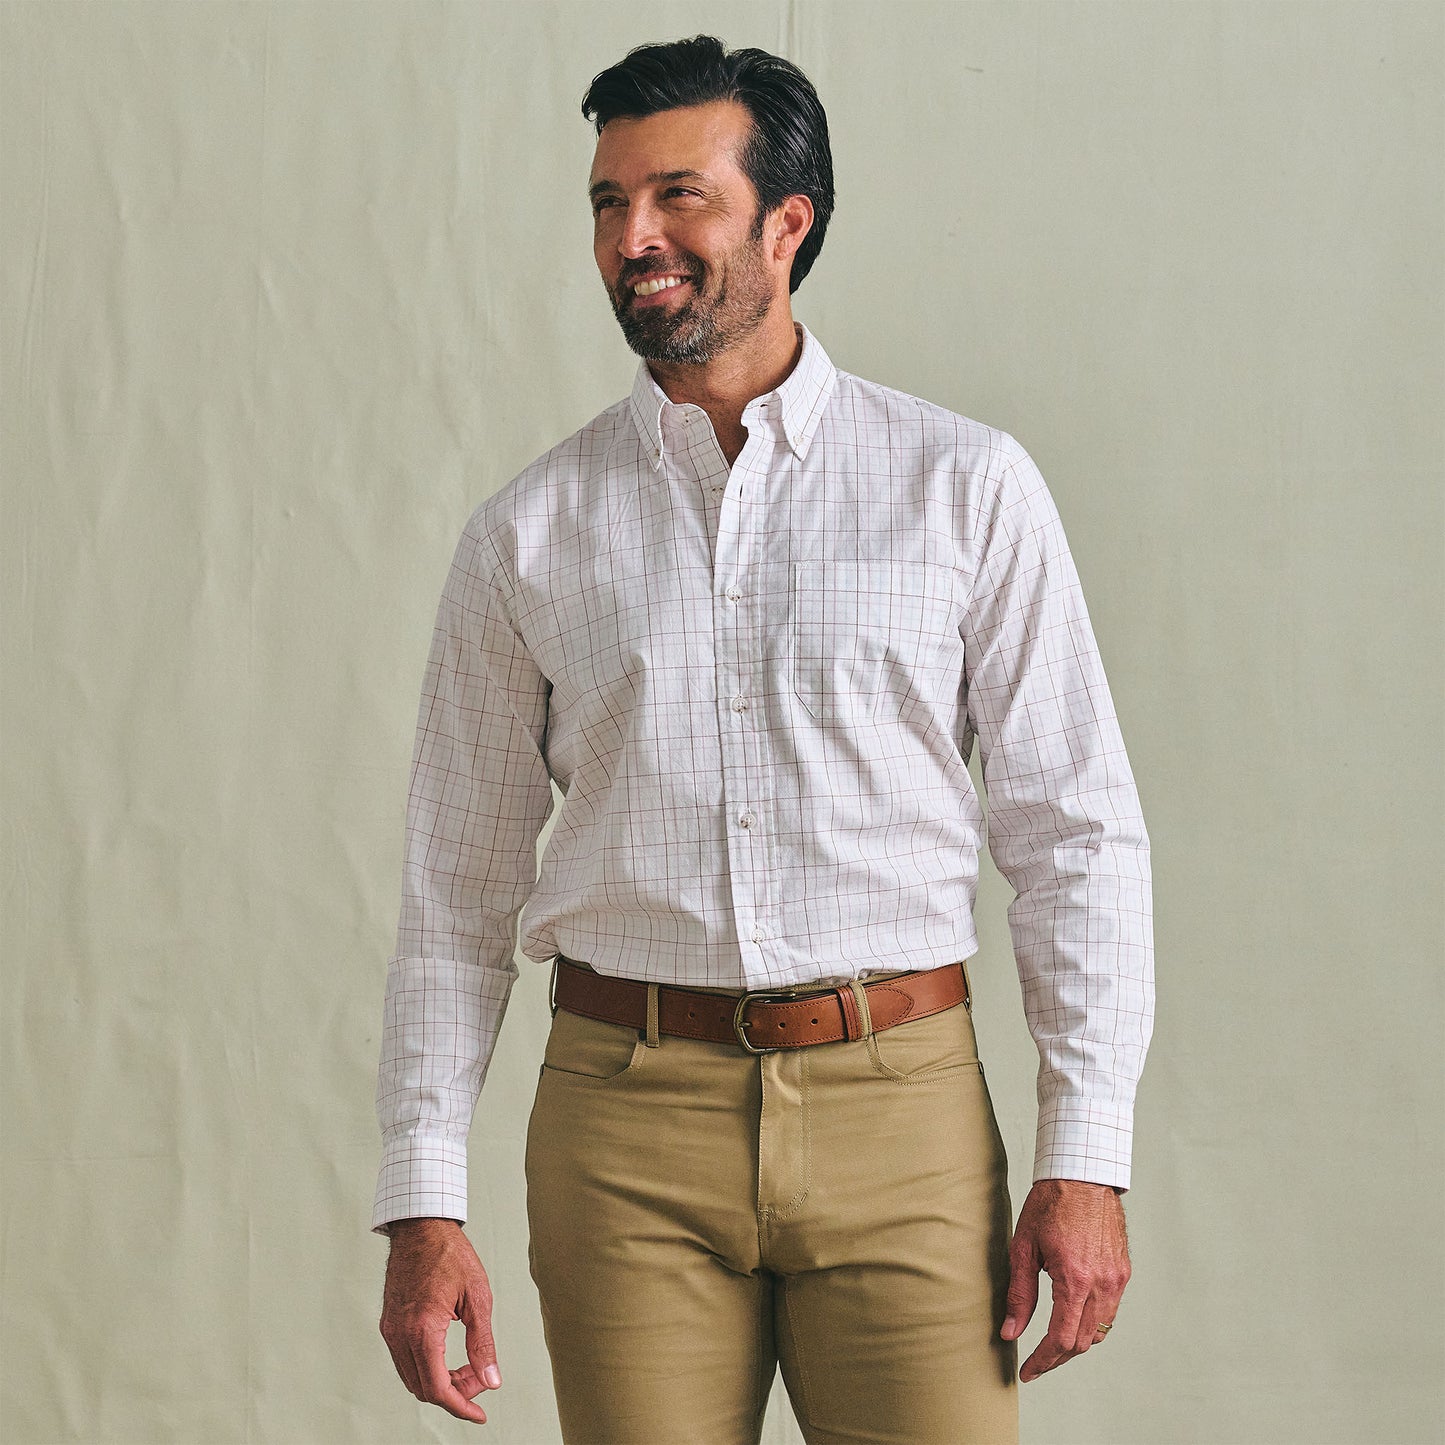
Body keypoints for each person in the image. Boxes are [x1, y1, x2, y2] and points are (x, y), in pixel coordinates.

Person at [373, 33, 1153, 1445]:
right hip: (621, 1127)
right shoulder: (526, 535)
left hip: (901, 1111)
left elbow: (1075, 835)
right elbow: (452, 895)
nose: (634, 238)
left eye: (679, 197)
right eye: (609, 203)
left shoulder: (962, 488)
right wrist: (422, 1202)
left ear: (786, 222)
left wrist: (1084, 1156)